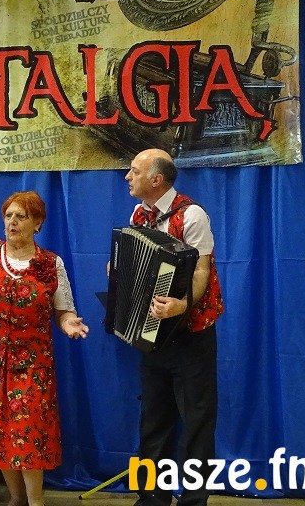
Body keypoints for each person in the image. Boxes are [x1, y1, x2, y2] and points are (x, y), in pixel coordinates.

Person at [0, 191, 88, 506]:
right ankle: (16, 498)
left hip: (32, 365)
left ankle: (35, 500)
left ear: (38, 223)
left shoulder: (50, 263)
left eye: (21, 216)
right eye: (8, 216)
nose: (12, 222)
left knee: (28, 433)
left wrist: (69, 324)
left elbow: (64, 310)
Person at [124, 148, 224, 506]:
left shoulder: (192, 214)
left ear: (156, 179)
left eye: (134, 171)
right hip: (152, 333)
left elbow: (201, 270)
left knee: (197, 421)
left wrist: (182, 305)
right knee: (153, 419)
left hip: (192, 333)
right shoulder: (139, 214)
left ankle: (194, 500)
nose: (127, 177)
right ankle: (152, 497)